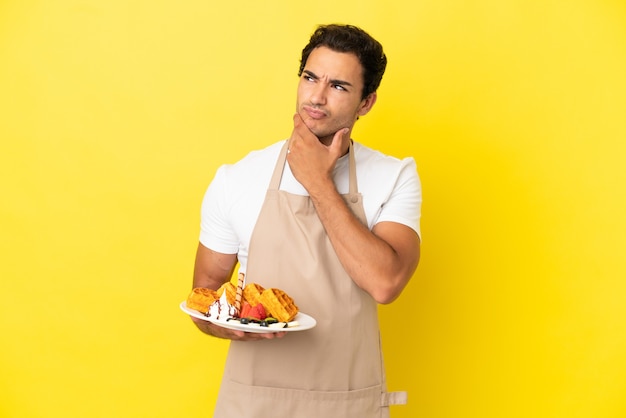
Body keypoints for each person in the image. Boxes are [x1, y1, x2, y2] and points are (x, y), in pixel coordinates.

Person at [190, 23, 422, 417]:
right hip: (254, 403)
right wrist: (222, 324)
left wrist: (317, 182)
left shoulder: (394, 175)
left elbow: (385, 283)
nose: (316, 96)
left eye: (339, 86)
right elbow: (205, 294)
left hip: (347, 403)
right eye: (310, 78)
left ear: (366, 103)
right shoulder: (237, 178)